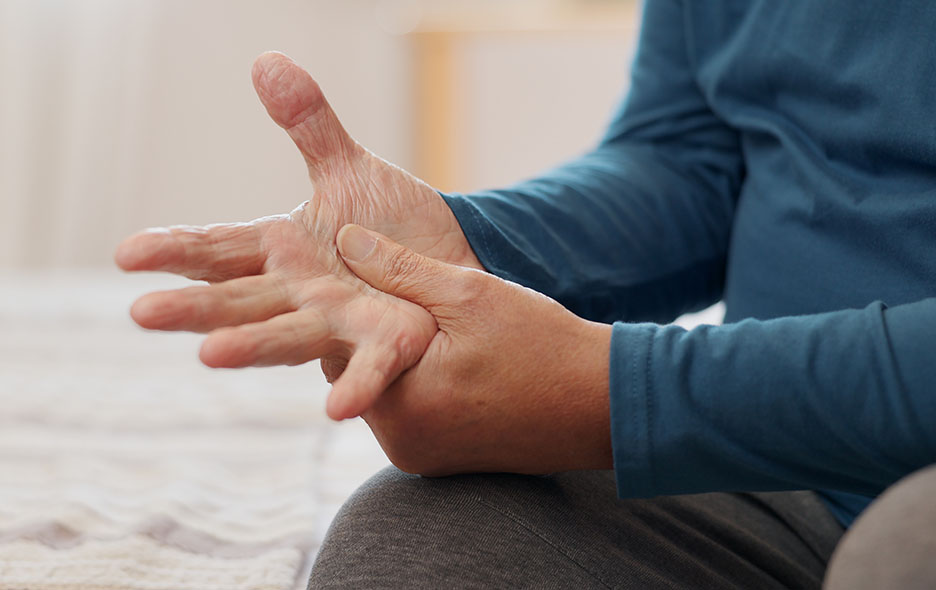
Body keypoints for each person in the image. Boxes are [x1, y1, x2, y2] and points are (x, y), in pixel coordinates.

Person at [115, 1, 936, 587]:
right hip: (781, 467)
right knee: (422, 541)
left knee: (902, 551)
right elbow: (695, 157)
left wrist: (614, 392)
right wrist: (471, 245)